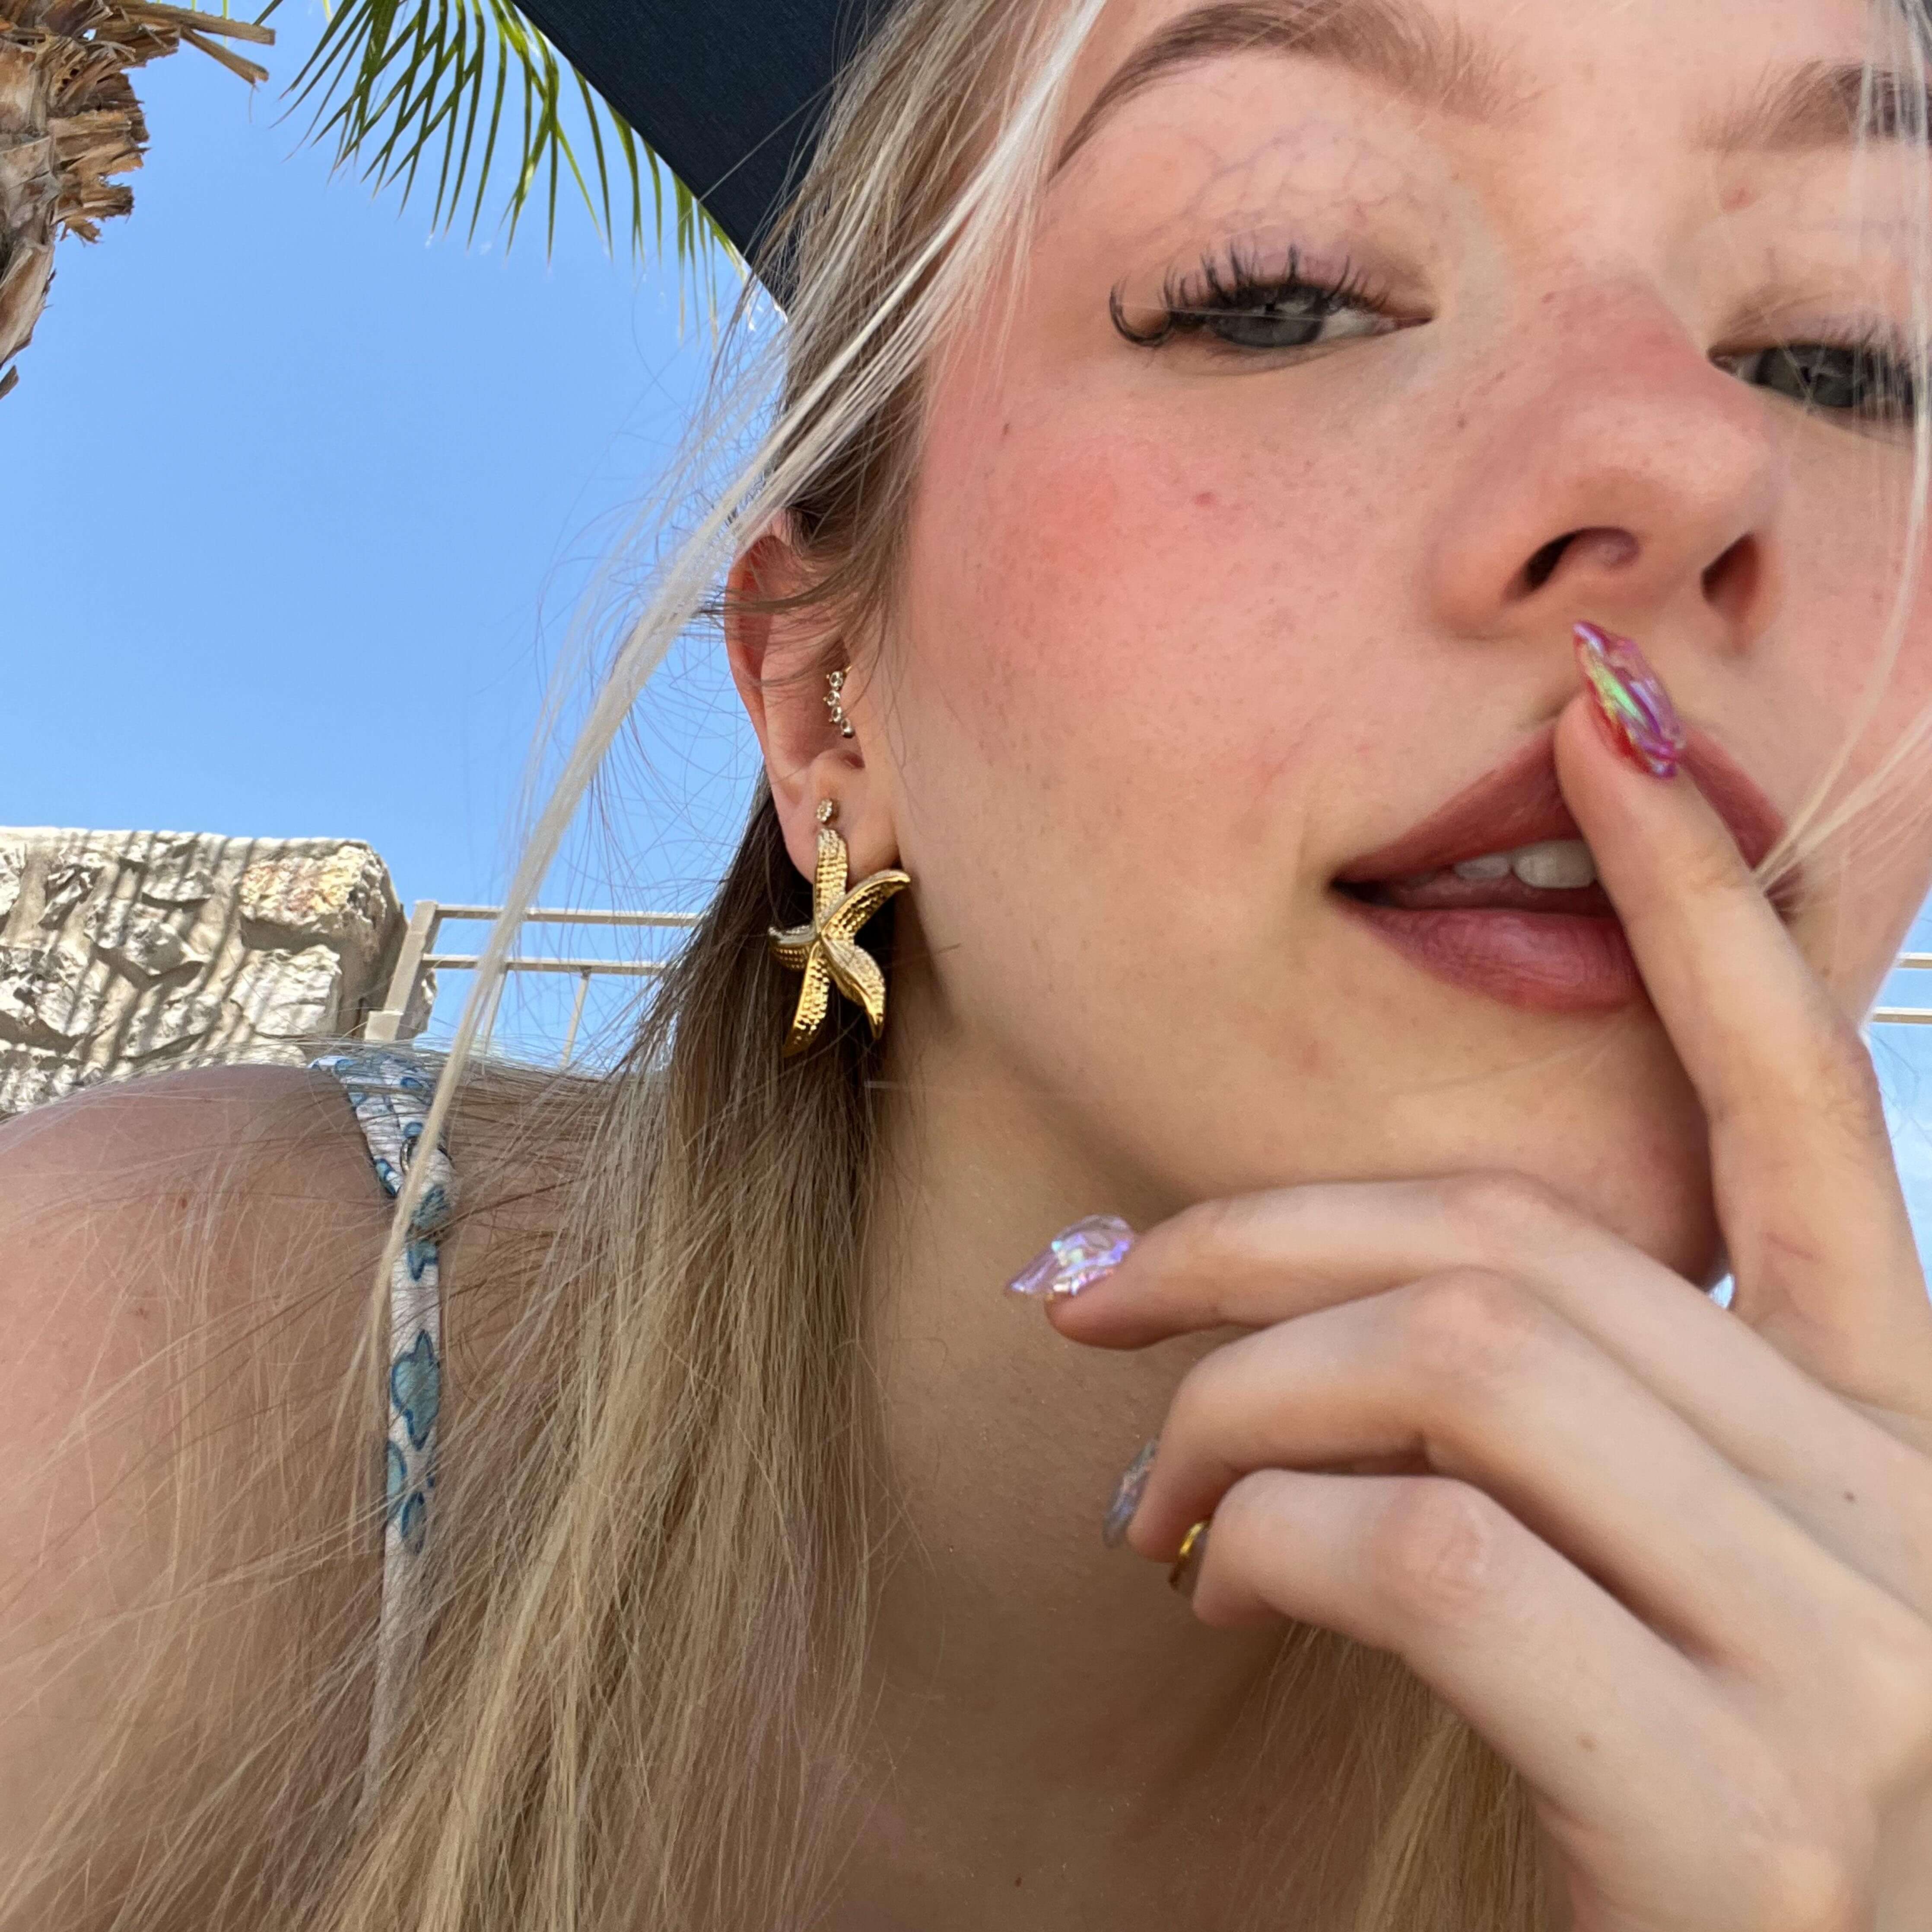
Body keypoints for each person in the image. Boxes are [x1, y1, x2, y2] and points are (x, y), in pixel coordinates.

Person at [8, 0, 1932, 1925]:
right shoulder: (139, 1400)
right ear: (824, 703)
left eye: (1846, 356)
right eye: (1283, 290)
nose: (1686, 454)